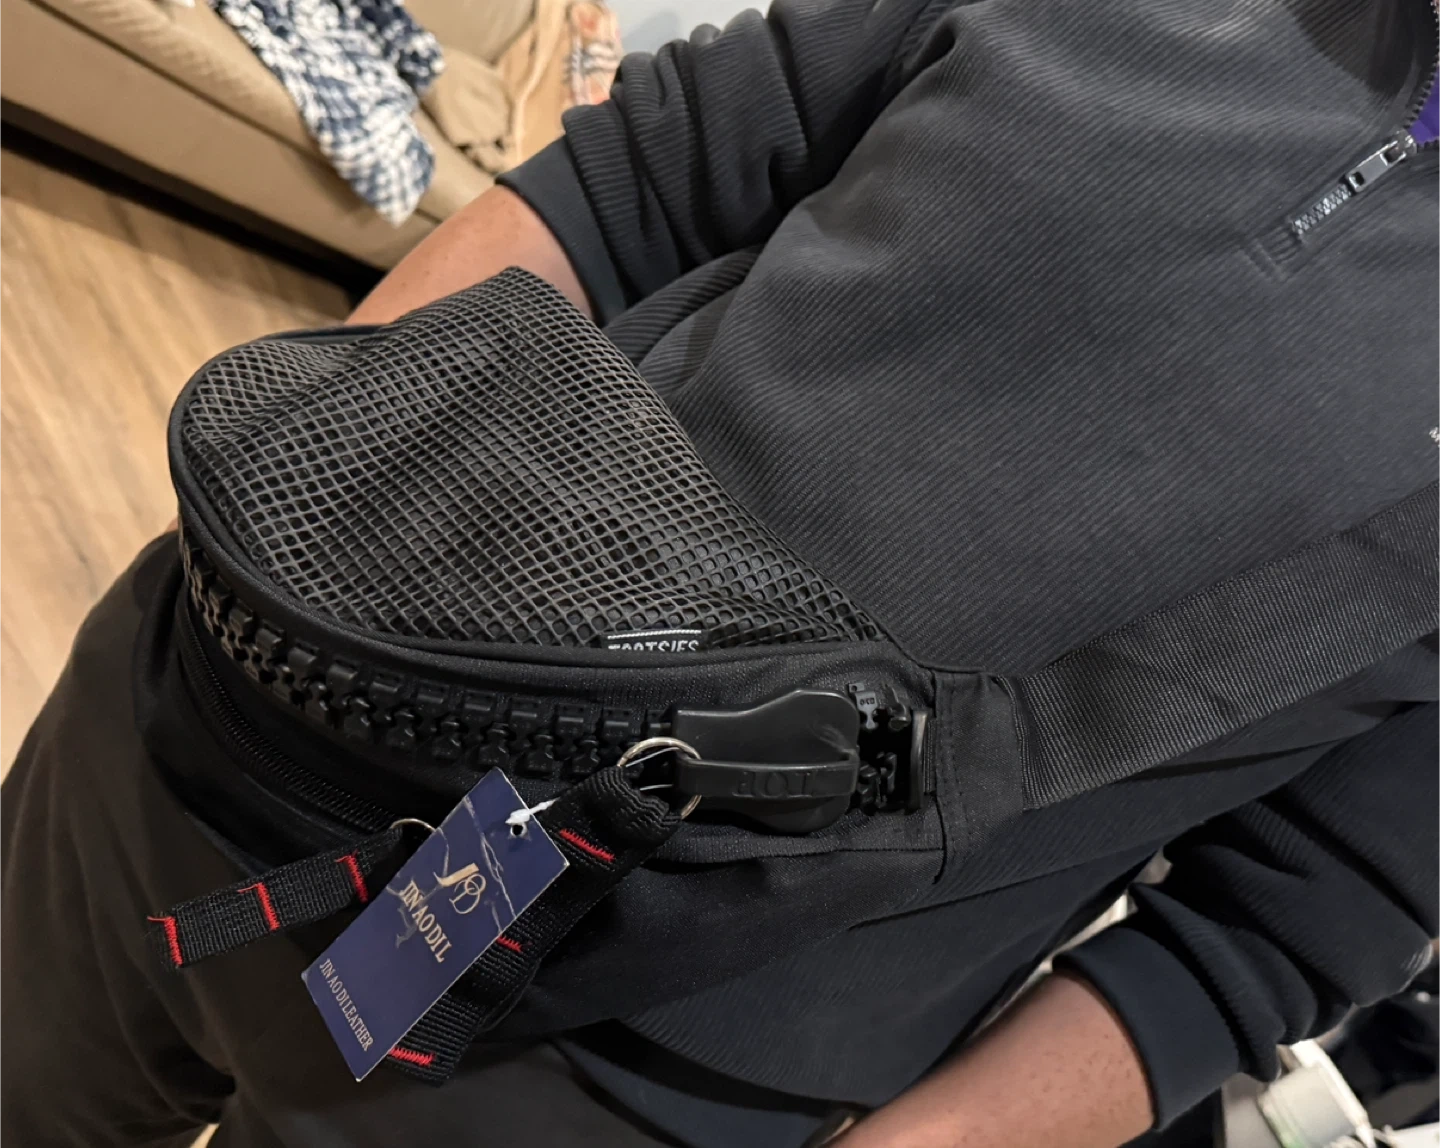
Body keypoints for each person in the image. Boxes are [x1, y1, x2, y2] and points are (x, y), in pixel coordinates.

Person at [4, 1, 1440, 1146]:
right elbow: (649, 172)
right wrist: (292, 523)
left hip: (637, 1072)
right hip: (253, 717)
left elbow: (1291, 919)